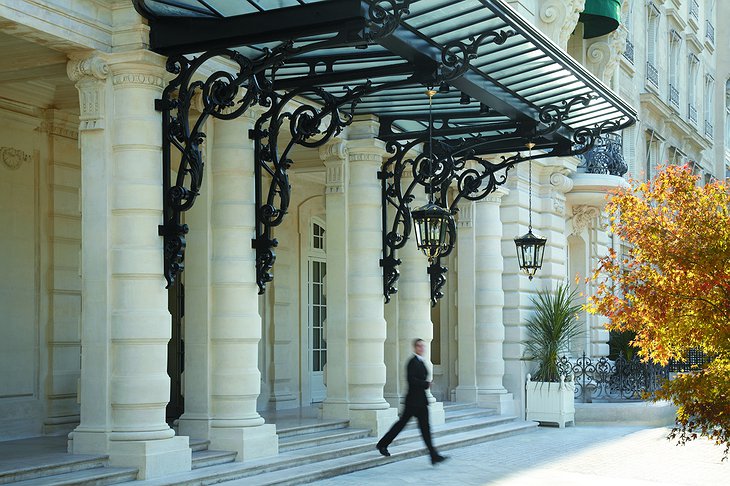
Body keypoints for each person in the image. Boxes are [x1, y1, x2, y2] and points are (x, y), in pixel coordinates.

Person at [376, 338, 448, 465]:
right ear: (415, 348)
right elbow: (411, 380)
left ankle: (433, 455)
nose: (422, 348)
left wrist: (425, 384)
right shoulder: (412, 362)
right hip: (413, 402)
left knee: (425, 429)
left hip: (421, 402)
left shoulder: (421, 361)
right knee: (400, 425)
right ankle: (382, 444)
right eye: (419, 346)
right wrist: (426, 384)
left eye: (423, 346)